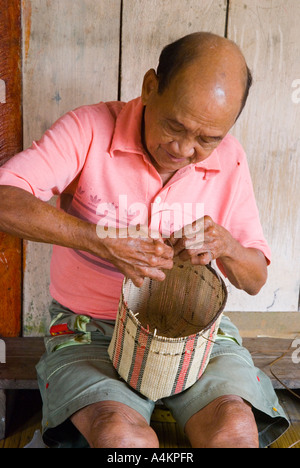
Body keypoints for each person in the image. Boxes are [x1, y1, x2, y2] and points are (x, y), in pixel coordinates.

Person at [0, 32, 289, 448]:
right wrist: (99, 239)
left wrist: (225, 245)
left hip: (195, 331)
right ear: (150, 86)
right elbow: (6, 199)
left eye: (207, 139)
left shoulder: (232, 159)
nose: (184, 148)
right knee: (121, 437)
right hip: (91, 327)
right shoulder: (90, 129)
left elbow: (255, 279)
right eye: (175, 126)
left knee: (234, 429)